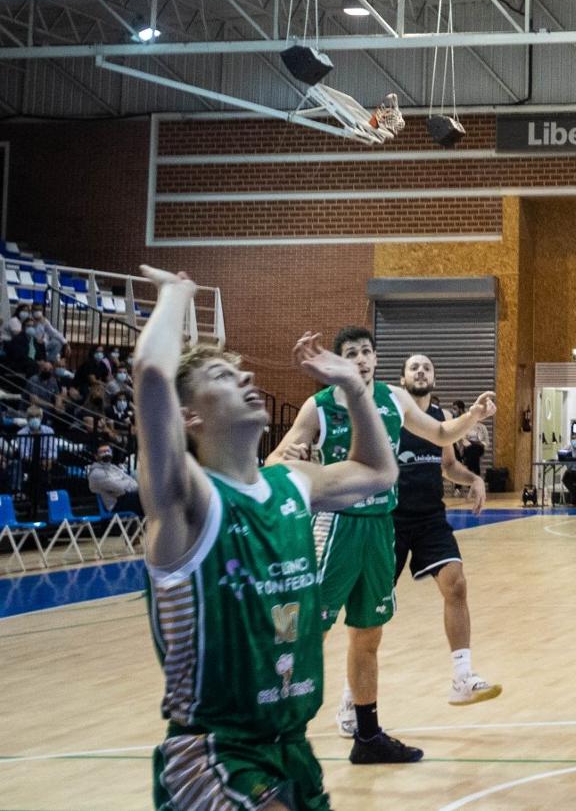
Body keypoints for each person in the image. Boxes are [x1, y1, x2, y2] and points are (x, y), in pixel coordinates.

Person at [132, 265, 399, 811]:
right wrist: (177, 294)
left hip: (291, 749)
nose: (247, 378)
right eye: (223, 377)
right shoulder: (188, 500)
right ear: (189, 416)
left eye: (241, 372)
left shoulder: (291, 484)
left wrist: (354, 388)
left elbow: (378, 471)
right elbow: (152, 375)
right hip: (214, 753)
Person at [267, 326, 496, 762]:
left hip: (380, 525)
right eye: (352, 353)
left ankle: (368, 737)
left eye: (367, 351)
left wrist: (474, 417)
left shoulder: (394, 398)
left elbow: (441, 433)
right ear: (339, 362)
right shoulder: (320, 406)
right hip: (335, 524)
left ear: (375, 358)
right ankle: (274, 728)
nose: (361, 359)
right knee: (306, 632)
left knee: (368, 633)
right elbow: (275, 458)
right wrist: (288, 460)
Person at [378, 352, 502, 713]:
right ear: (402, 380)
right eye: (413, 367)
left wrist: (474, 479)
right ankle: (351, 697)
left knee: (456, 584)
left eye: (427, 367)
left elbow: (448, 465)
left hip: (430, 517)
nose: (421, 371)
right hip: (391, 517)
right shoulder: (390, 415)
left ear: (434, 378)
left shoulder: (442, 417)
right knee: (374, 608)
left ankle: (462, 678)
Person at [88, 442, 144, 516]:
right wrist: (126, 483)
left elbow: (134, 483)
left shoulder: (114, 468)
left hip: (125, 497)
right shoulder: (96, 473)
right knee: (144, 498)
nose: (106, 453)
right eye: (103, 452)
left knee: (147, 495)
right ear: (96, 456)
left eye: (108, 451)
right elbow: (119, 488)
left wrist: (124, 485)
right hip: (115, 505)